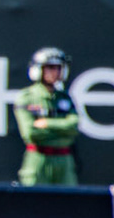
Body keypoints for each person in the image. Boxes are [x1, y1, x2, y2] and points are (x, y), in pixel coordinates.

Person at [14, 47, 79, 186]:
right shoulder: (27, 97)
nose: (54, 72)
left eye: (58, 68)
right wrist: (61, 128)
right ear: (39, 70)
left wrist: (46, 123)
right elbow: (31, 133)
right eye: (50, 67)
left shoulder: (65, 97)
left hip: (64, 161)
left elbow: (73, 126)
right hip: (38, 160)